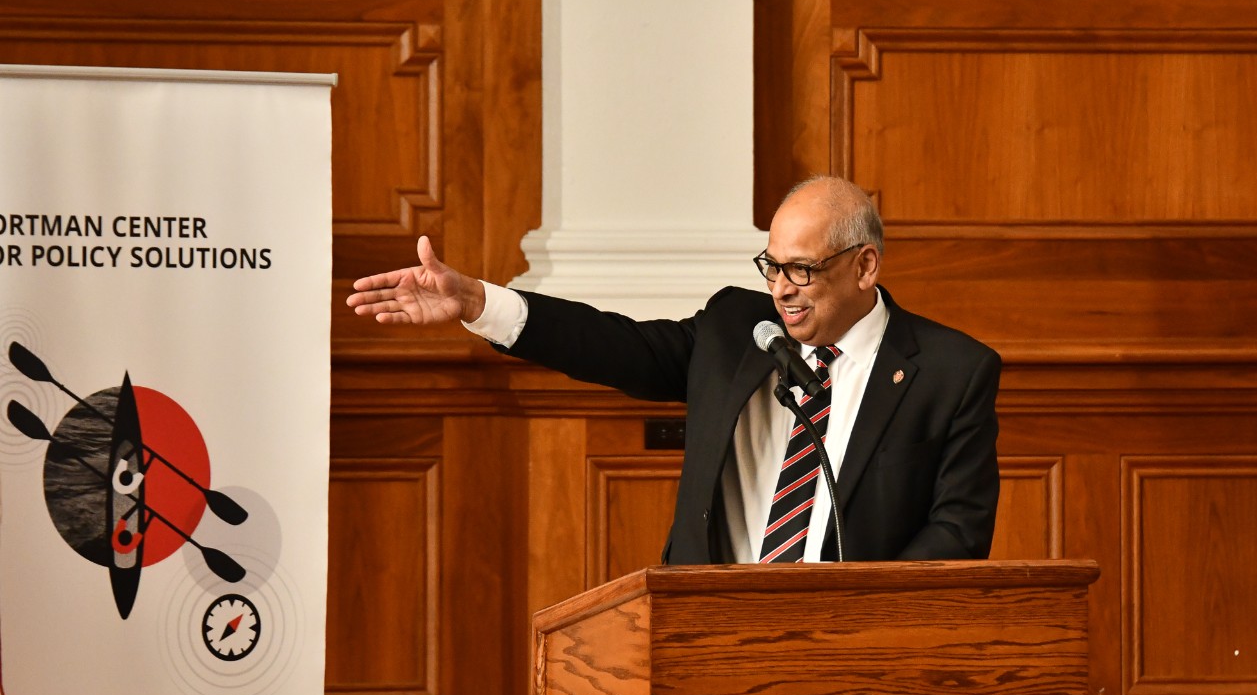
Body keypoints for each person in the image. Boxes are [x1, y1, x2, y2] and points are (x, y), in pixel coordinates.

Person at [348, 175, 1000, 565]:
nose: (782, 289)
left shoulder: (951, 371)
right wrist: (479, 302)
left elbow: (957, 533)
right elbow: (616, 346)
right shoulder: (736, 330)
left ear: (865, 266)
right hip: (706, 640)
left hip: (858, 663)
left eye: (802, 269)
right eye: (771, 266)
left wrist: (850, 619)